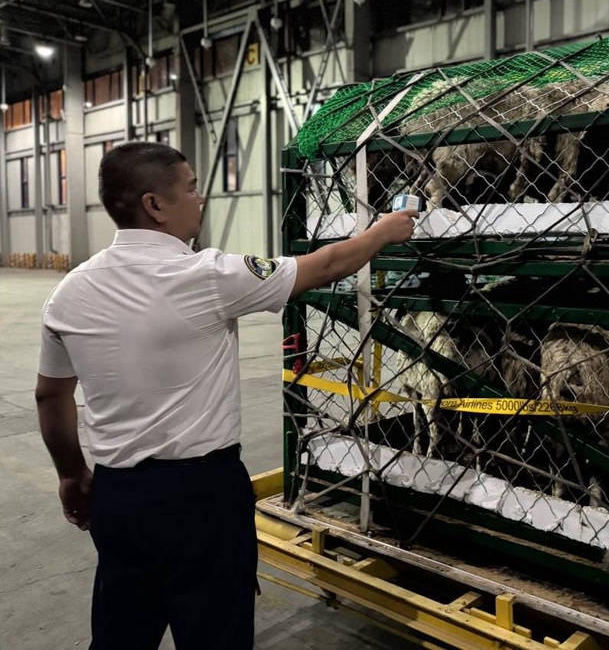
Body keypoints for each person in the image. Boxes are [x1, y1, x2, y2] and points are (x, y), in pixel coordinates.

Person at [34, 141, 417, 649]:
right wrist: (384, 231)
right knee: (215, 633)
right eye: (191, 188)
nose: (201, 198)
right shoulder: (207, 276)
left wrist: (70, 475)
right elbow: (324, 266)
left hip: (118, 495)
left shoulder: (70, 291)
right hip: (202, 496)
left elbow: (50, 396)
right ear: (155, 205)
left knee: (122, 630)